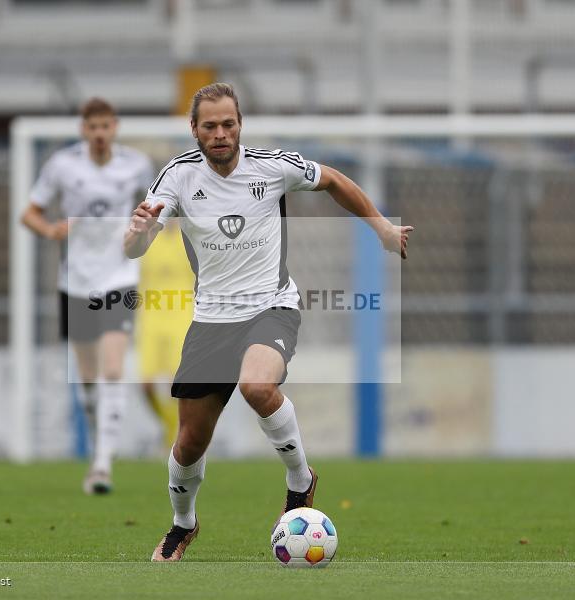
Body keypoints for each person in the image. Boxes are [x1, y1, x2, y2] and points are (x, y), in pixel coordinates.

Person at [125, 83, 413, 562]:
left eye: (229, 124)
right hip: (212, 320)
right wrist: (136, 234)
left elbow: (335, 180)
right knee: (189, 443)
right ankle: (183, 524)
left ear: (240, 125)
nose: (221, 134)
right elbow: (137, 242)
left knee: (258, 386)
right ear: (193, 129)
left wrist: (380, 225)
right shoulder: (177, 177)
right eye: (210, 126)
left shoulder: (273, 167)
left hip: (271, 307)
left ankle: (300, 480)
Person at [21, 98, 154, 495]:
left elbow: (154, 210)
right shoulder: (62, 165)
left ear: (115, 127)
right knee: (89, 377)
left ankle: (101, 465)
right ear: (84, 129)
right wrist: (49, 231)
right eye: (92, 127)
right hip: (76, 280)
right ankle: (100, 440)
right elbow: (29, 212)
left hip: (120, 276)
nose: (99, 134)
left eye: (105, 127)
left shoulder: (136, 165)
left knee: (114, 367)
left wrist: (143, 231)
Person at [136, 218, 192, 449]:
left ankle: (177, 437)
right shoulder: (146, 238)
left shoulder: (191, 238)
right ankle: (170, 425)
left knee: (175, 384)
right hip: (150, 318)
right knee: (145, 385)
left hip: (182, 316)